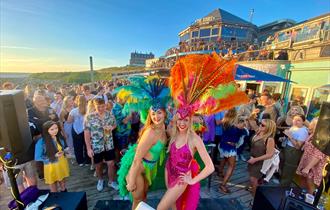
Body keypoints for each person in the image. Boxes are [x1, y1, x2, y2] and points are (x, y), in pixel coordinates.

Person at [158, 53, 248, 210]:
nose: (182, 123)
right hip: (168, 172)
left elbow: (210, 167)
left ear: (191, 120)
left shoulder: (194, 139)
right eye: (179, 119)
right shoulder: (174, 133)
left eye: (186, 120)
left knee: (160, 208)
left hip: (181, 179)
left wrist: (192, 180)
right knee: (173, 206)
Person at [117, 76, 171, 210]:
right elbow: (136, 160)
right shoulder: (150, 133)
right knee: (138, 201)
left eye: (159, 113)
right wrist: (130, 181)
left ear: (165, 114)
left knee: (143, 199)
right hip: (138, 170)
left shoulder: (164, 127)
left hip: (149, 170)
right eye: (153, 114)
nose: (156, 117)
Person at [296, 118, 329, 194]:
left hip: (313, 165)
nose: (311, 125)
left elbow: (318, 155)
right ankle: (300, 198)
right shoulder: (312, 134)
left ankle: (309, 202)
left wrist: (308, 168)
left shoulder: (322, 138)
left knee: (310, 183)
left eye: (313, 125)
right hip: (306, 161)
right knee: (302, 180)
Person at [35, 121, 70, 192]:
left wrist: (65, 151)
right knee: (53, 184)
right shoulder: (41, 142)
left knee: (62, 182)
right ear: (46, 130)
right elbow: (38, 157)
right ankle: (55, 199)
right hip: (50, 166)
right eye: (52, 129)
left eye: (56, 128)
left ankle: (65, 196)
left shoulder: (59, 138)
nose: (55, 131)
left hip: (61, 163)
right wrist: (53, 156)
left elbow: (63, 148)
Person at [247, 119, 276, 197]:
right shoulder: (258, 132)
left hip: (260, 162)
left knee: (253, 179)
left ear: (268, 128)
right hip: (252, 159)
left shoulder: (269, 139)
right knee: (252, 178)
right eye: (260, 123)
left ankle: (254, 198)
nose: (260, 125)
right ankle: (253, 189)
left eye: (263, 125)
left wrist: (255, 160)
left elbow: (270, 154)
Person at [281, 114, 309, 186]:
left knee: (289, 167)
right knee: (283, 164)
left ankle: (284, 185)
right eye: (294, 119)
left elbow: (298, 146)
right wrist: (284, 138)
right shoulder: (293, 127)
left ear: (303, 122)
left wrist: (290, 136)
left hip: (293, 151)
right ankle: (281, 180)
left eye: (298, 120)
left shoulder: (303, 131)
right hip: (287, 147)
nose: (295, 121)